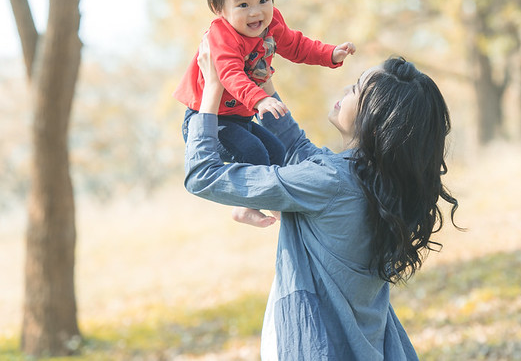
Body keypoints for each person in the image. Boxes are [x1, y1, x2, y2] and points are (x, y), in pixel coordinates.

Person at [184, 37, 460, 360]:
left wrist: (212, 90)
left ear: (376, 118)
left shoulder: (331, 181)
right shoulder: (375, 185)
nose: (346, 89)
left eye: (357, 88)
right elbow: (299, 151)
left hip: (312, 345)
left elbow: (201, 174)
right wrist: (267, 88)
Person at [173, 0, 355, 227]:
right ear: (219, 8)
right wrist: (259, 100)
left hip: (241, 118)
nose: (256, 11)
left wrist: (329, 54)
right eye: (242, 5)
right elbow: (230, 75)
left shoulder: (271, 23)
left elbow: (296, 45)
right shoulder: (221, 36)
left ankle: (275, 205)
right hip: (210, 120)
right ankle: (243, 206)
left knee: (276, 151)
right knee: (254, 152)